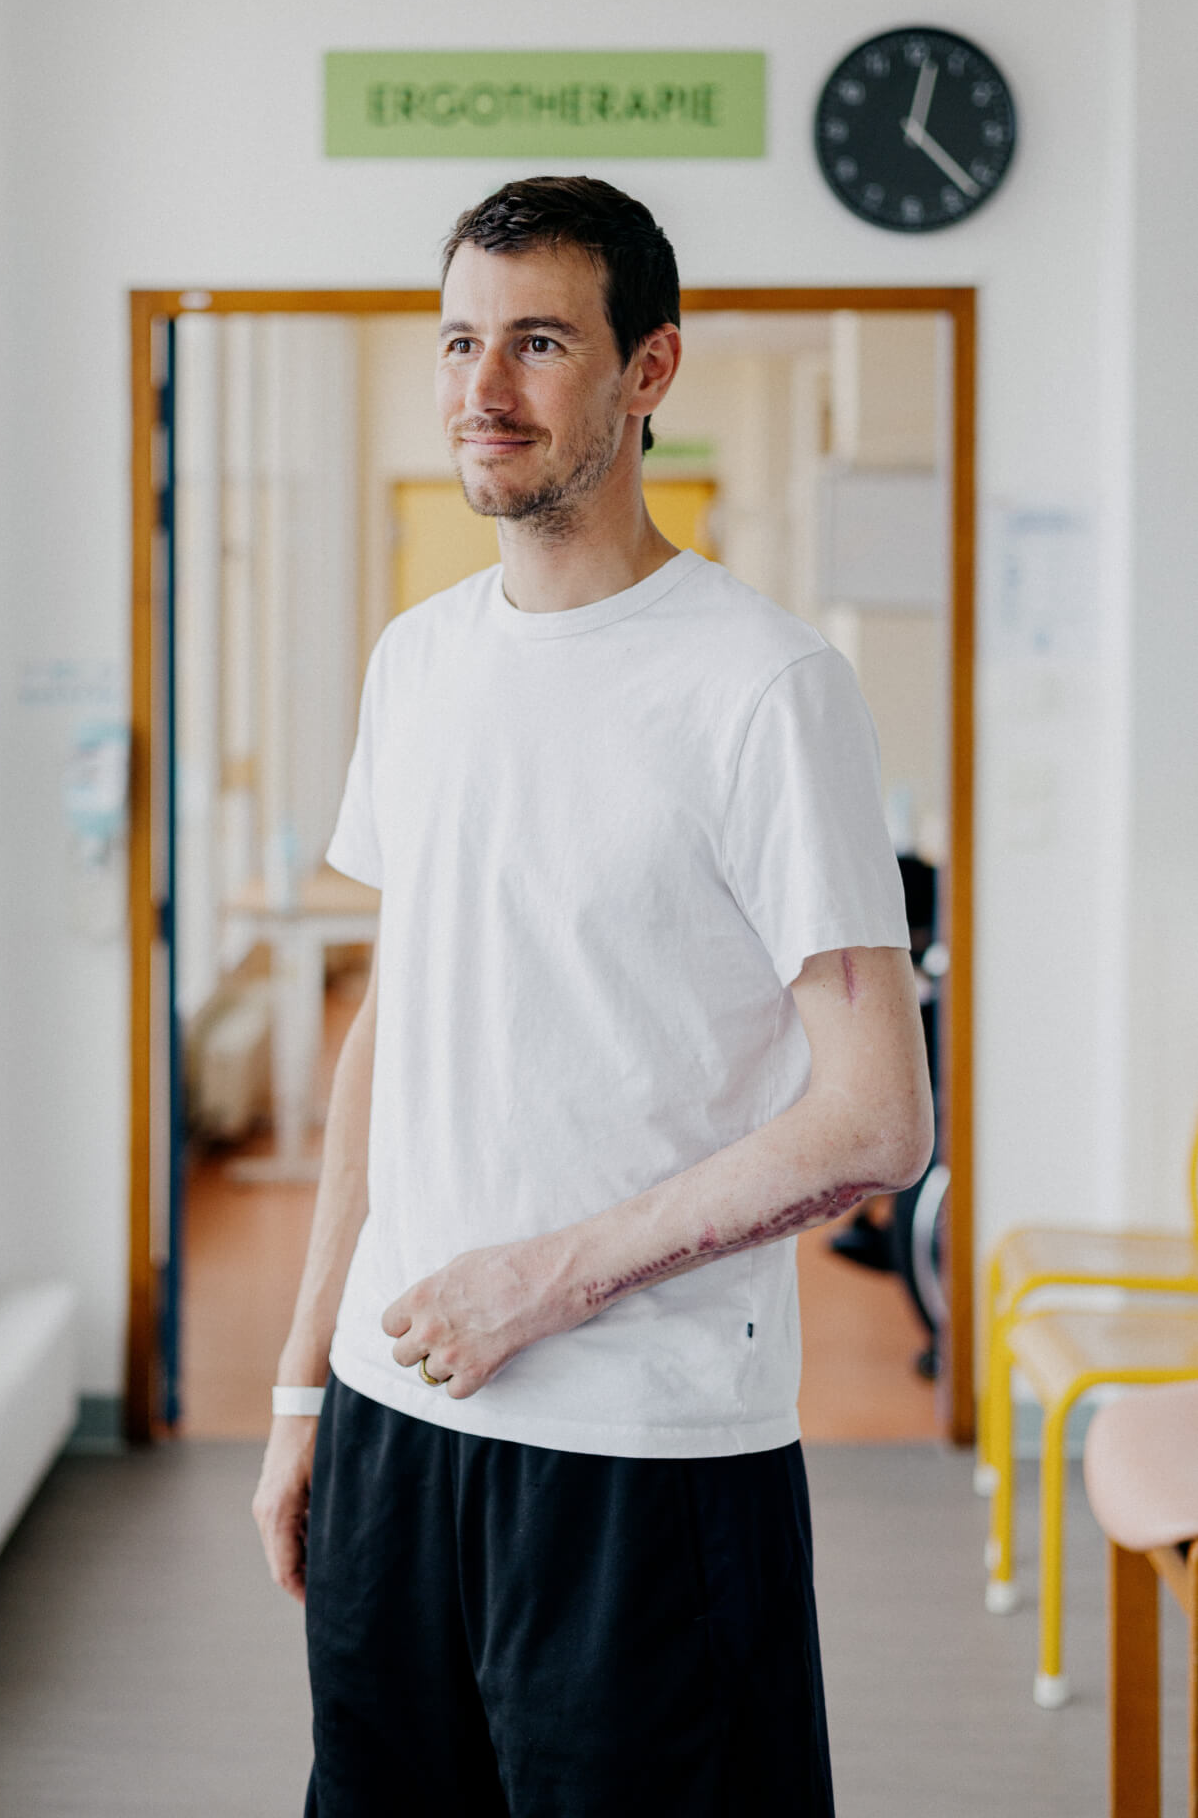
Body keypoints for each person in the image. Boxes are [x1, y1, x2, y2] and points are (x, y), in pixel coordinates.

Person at [253, 175, 933, 1817]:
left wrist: (538, 1285)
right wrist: (300, 1388)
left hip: (645, 1456)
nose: (482, 392)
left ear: (649, 371)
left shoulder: (762, 685)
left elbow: (874, 1116)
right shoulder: (416, 660)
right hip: (397, 1432)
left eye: (539, 342)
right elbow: (391, 1039)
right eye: (459, 342)